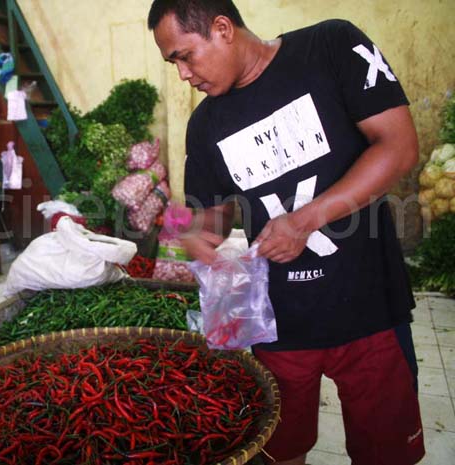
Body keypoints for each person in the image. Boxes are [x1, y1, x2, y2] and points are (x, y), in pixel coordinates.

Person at [148, 1, 424, 464]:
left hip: (371, 307)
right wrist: (192, 235)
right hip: (278, 326)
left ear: (222, 28)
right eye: (172, 62)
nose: (182, 75)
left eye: (185, 56)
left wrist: (304, 221)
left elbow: (398, 147)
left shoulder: (331, 46)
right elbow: (209, 218)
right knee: (279, 451)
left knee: (388, 453)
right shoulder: (206, 124)